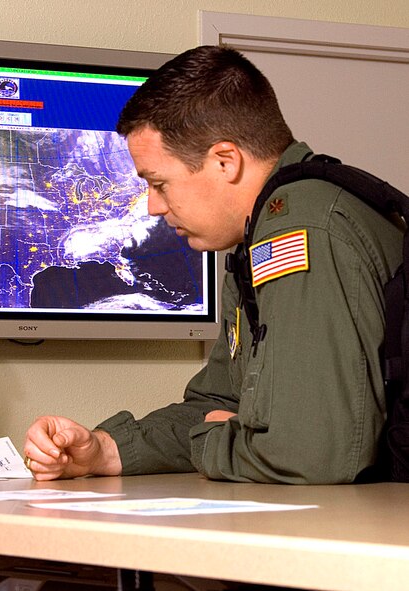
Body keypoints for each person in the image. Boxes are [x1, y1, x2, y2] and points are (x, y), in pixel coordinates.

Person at [24, 45, 404, 485]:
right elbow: (220, 401)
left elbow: (313, 454)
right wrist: (103, 450)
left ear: (226, 161)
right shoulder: (255, 238)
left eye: (159, 184)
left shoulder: (298, 229)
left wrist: (214, 438)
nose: (152, 207)